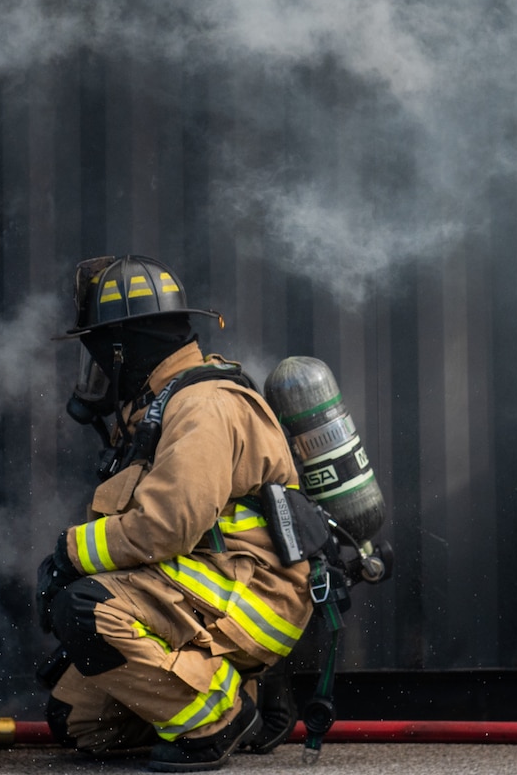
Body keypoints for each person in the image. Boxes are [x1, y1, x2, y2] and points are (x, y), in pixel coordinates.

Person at [38, 255, 315, 772]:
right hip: (211, 584)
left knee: (87, 610)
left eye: (98, 351)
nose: (95, 370)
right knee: (79, 722)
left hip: (251, 596)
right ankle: (245, 691)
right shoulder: (159, 405)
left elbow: (166, 527)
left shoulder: (201, 405)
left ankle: (217, 720)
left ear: (123, 347)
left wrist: (68, 555)